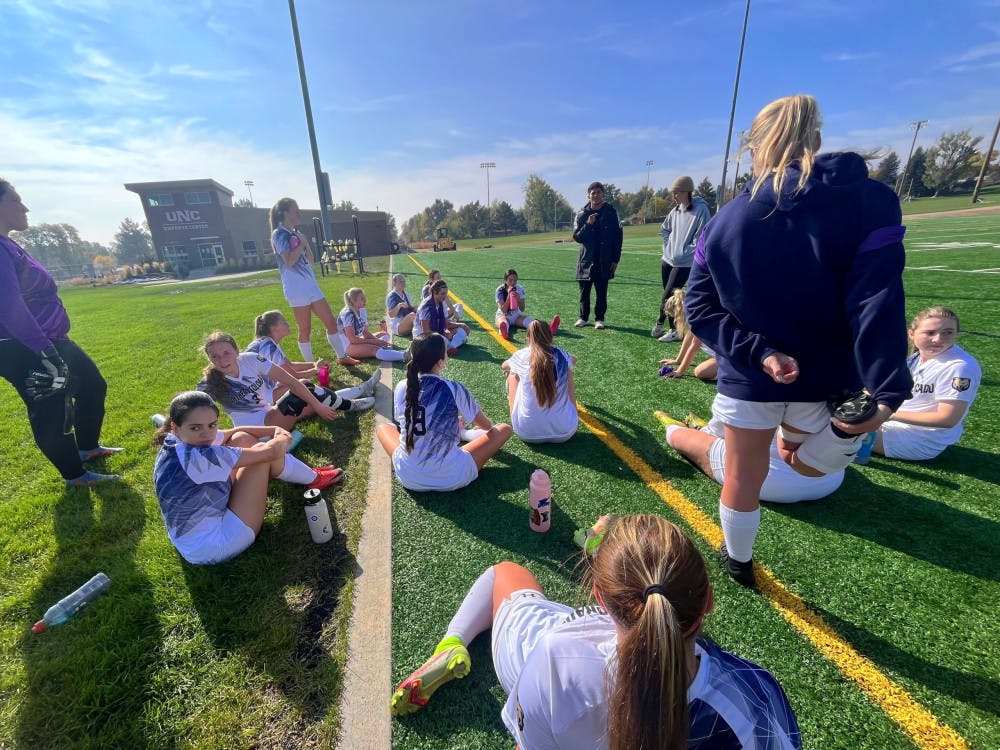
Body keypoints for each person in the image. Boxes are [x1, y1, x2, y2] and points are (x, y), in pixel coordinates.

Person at [685, 94, 912, 586]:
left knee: (743, 476)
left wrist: (761, 353)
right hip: (826, 376)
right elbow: (875, 300)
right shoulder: (868, 201)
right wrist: (888, 386)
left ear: (753, 149)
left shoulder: (725, 221)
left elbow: (698, 310)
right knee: (805, 465)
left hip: (750, 377)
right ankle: (844, 434)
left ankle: (738, 562)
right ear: (817, 139)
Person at [390, 514, 802, 750]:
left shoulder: (558, 660)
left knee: (505, 573)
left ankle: (453, 641)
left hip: (545, 648)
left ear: (600, 598)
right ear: (707, 602)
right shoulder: (756, 691)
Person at [0, 178, 121, 487]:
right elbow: (9, 307)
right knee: (49, 408)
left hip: (52, 339)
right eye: (16, 201)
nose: (25, 208)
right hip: (25, 346)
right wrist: (45, 352)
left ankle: (87, 448)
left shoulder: (9, 245)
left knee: (92, 386)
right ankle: (74, 475)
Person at [153, 391, 343, 565]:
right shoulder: (199, 457)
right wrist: (283, 437)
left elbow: (233, 432)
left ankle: (308, 475)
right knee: (261, 453)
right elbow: (271, 452)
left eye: (212, 425)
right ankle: (314, 478)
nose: (206, 434)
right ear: (175, 427)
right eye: (195, 428)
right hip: (214, 545)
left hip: (191, 537)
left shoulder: (173, 441)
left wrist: (273, 430)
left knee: (241, 438)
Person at [375, 333, 511, 492]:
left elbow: (404, 420)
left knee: (383, 428)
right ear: (440, 362)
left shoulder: (401, 386)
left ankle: (459, 434)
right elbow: (486, 426)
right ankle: (462, 433)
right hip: (452, 476)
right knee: (504, 429)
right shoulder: (454, 388)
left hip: (408, 477)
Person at [198, 332, 370, 432]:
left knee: (315, 399)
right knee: (308, 388)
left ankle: (359, 390)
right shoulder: (208, 383)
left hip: (272, 413)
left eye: (226, 353)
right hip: (258, 430)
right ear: (209, 358)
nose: (222, 360)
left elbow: (292, 381)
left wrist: (317, 406)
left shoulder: (250, 359)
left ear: (236, 351)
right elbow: (189, 411)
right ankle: (351, 405)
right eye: (215, 356)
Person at [655, 411, 844, 503]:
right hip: (830, 475)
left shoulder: (764, 361)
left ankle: (677, 426)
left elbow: (724, 422)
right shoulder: (848, 361)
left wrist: (707, 433)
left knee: (676, 436)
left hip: (769, 480)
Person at [874, 306, 981, 460]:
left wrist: (888, 414)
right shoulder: (916, 357)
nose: (938, 339)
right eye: (930, 333)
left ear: (956, 334)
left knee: (839, 431)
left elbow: (947, 419)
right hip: (894, 426)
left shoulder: (959, 367)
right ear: (912, 334)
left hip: (917, 440)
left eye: (948, 333)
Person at [269, 197, 360, 367]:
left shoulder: (295, 233)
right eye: (295, 209)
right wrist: (301, 244)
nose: (299, 213)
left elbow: (310, 262)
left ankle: (342, 356)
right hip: (296, 289)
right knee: (305, 329)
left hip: (311, 286)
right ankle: (312, 367)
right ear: (285, 212)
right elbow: (288, 261)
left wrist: (305, 244)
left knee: (331, 322)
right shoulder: (279, 234)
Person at [246, 309, 380, 402]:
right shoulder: (269, 347)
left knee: (305, 387)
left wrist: (314, 364)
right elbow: (293, 376)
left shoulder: (267, 343)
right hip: (258, 399)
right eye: (284, 322)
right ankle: (360, 391)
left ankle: (356, 392)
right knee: (306, 387)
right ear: (274, 328)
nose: (288, 324)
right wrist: (315, 370)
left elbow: (290, 365)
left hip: (257, 394)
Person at [651, 176, 712, 342]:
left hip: (684, 263)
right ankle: (674, 329)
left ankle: (662, 323)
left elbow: (702, 237)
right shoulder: (676, 210)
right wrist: (668, 246)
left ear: (686, 192)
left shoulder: (701, 210)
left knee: (668, 297)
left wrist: (685, 252)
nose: (674, 197)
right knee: (672, 298)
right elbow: (665, 229)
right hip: (668, 259)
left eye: (676, 193)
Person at [501, 319, 577, 443]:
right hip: (565, 431)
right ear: (551, 337)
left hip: (527, 432)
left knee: (512, 374)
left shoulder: (521, 355)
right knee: (567, 369)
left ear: (528, 338)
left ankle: (516, 415)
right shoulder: (561, 354)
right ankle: (570, 411)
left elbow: (504, 366)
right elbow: (574, 360)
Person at [573, 182, 622, 330]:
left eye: (598, 192)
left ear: (603, 194)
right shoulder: (581, 214)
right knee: (584, 292)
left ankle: (599, 318)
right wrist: (588, 224)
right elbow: (577, 237)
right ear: (588, 196)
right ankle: (583, 317)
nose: (596, 195)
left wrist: (615, 259)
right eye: (593, 193)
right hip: (586, 260)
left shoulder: (611, 212)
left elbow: (618, 237)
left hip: (604, 260)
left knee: (601, 292)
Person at [658, 290, 717, 381]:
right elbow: (688, 339)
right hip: (724, 355)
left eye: (674, 316)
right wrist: (678, 360)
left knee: (700, 372)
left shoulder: (699, 318)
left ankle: (736, 373)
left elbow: (694, 346)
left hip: (731, 356)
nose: (675, 320)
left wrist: (679, 371)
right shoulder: (696, 314)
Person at [338, 288, 406, 361]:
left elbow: (365, 333)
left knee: (384, 334)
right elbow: (352, 340)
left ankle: (380, 350)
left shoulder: (361, 309)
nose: (365, 300)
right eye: (362, 299)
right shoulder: (348, 314)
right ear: (353, 301)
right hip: (346, 346)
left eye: (364, 297)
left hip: (356, 340)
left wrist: (377, 341)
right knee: (374, 349)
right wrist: (373, 342)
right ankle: (405, 356)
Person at [494, 268, 559, 341]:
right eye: (510, 280)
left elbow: (522, 309)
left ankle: (550, 329)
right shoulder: (500, 290)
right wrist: (509, 296)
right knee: (503, 323)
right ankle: (504, 332)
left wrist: (519, 300)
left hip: (516, 316)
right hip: (503, 315)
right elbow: (503, 310)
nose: (513, 282)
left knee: (530, 322)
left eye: (515, 280)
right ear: (505, 280)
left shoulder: (519, 288)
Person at [413, 279, 469, 356]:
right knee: (442, 340)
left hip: (436, 332)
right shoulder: (426, 306)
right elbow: (426, 331)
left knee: (463, 330)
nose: (445, 296)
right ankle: (452, 345)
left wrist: (461, 325)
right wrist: (442, 335)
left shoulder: (441, 303)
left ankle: (450, 346)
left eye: (446, 293)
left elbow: (446, 324)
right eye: (442, 293)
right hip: (422, 336)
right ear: (434, 293)